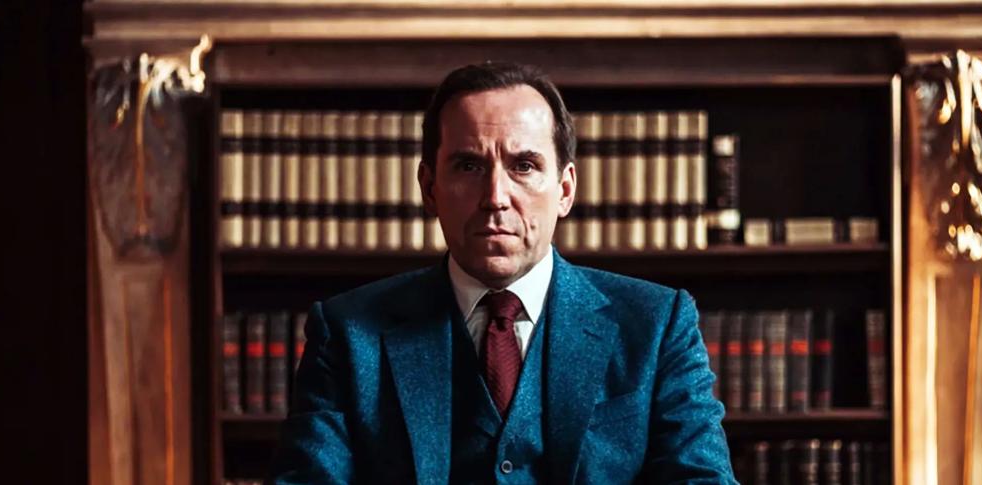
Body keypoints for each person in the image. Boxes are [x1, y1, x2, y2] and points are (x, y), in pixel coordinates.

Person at [269, 62, 736, 484]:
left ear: (565, 190)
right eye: (469, 165)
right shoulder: (348, 333)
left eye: (524, 166)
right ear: (429, 189)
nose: (495, 196)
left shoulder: (657, 324)